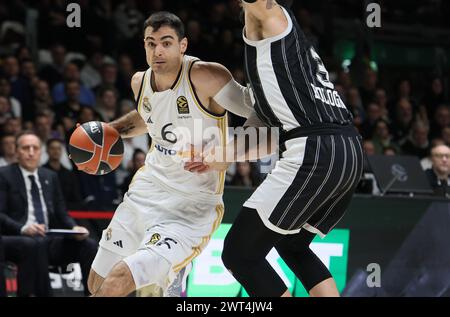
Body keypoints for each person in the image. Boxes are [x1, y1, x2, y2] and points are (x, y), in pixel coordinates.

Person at [191, 1, 363, 297]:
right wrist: (226, 154)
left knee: (239, 255)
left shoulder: (271, 18)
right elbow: (269, 127)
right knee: (292, 244)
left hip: (315, 150)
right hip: (346, 149)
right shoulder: (274, 61)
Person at [88, 11, 256, 297]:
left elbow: (261, 113)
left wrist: (230, 152)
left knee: (118, 281)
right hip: (146, 191)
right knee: (97, 285)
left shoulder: (206, 76)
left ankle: (172, 275)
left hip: (190, 206)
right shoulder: (139, 82)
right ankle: (170, 275)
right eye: (151, 43)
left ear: (183, 45)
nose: (158, 50)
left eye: (166, 42)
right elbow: (150, 115)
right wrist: (112, 130)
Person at [0, 131, 97, 296]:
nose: (31, 152)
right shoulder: (4, 174)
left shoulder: (49, 176)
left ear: (40, 152)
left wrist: (74, 229)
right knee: (34, 245)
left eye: (35, 148)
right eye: (25, 148)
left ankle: (93, 294)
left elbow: (62, 212)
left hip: (47, 237)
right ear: (16, 151)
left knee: (89, 245)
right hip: (17, 237)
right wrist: (23, 228)